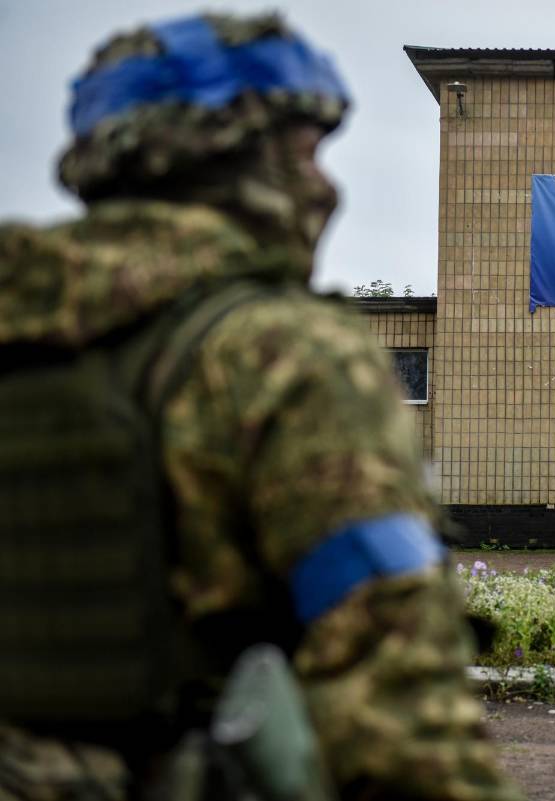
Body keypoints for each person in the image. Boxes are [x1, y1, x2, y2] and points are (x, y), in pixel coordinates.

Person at [0, 12, 523, 801]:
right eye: (305, 153)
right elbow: (398, 710)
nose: (326, 188)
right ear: (230, 157)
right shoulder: (283, 356)